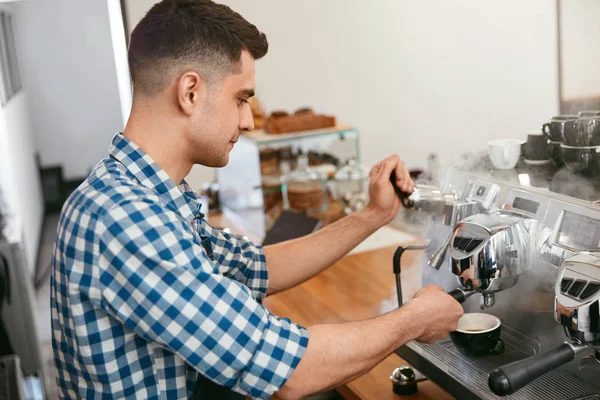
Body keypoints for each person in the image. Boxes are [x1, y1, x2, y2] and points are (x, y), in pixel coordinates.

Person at [50, 1, 464, 399]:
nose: (248, 121)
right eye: (241, 99)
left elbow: (256, 267)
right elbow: (288, 371)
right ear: (190, 92)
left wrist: (373, 215)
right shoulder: (127, 218)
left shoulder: (149, 193)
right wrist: (414, 319)